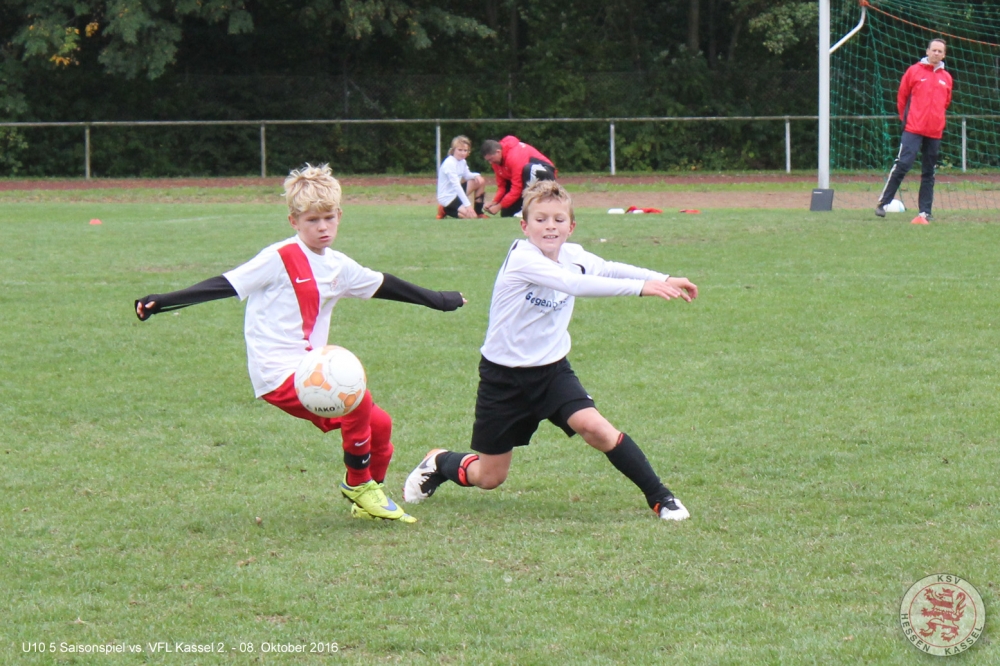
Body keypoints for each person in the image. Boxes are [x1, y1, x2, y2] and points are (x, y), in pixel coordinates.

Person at [134, 164, 466, 523]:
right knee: (356, 398)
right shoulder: (279, 258)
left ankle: (368, 496)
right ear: (293, 221)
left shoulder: (338, 265)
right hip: (277, 372)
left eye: (328, 218)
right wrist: (164, 301)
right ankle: (358, 485)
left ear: (339, 216)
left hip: (308, 368)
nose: (322, 227)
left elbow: (384, 284)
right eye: (312, 220)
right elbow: (226, 284)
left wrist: (438, 299)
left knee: (380, 425)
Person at [403, 180, 698, 521]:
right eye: (540, 219)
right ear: (524, 226)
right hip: (503, 378)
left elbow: (607, 267)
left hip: (552, 371)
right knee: (490, 477)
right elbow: (574, 284)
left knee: (595, 428)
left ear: (571, 226)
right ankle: (439, 461)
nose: (550, 227)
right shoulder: (523, 259)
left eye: (559, 219)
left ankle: (661, 498)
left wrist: (664, 277)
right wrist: (641, 288)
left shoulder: (573, 255)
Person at [875, 38, 953, 223]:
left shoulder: (946, 78)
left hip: (934, 131)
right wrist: (907, 120)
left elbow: (946, 102)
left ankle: (925, 211)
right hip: (913, 128)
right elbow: (902, 97)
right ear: (927, 51)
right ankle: (883, 203)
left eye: (940, 51)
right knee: (903, 164)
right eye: (934, 50)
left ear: (944, 55)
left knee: (929, 171)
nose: (936, 53)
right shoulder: (914, 71)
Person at [481, 136, 557, 217]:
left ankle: (527, 208)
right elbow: (502, 186)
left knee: (529, 169)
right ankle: (524, 207)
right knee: (506, 214)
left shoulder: (514, 157)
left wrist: (499, 206)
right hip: (525, 181)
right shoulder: (496, 163)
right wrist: (494, 202)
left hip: (546, 175)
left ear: (498, 152)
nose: (490, 163)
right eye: (488, 160)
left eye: (491, 159)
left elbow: (517, 187)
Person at [436, 135, 487, 219]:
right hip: (448, 197)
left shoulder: (462, 161)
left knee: (480, 181)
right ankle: (444, 209)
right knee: (471, 217)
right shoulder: (449, 163)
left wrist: (476, 175)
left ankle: (479, 212)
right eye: (460, 150)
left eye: (465, 150)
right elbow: (456, 186)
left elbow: (467, 175)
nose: (463, 153)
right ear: (453, 150)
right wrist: (468, 205)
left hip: (456, 193)